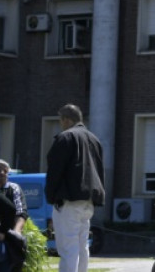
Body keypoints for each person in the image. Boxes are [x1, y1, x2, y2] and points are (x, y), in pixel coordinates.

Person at [45, 104, 105, 272]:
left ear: (66, 120)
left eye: (60, 121)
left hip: (69, 200)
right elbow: (100, 171)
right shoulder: (94, 139)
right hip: (88, 201)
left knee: (68, 248)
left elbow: (55, 170)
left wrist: (51, 196)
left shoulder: (65, 137)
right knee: (82, 245)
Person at [0, 159, 29, 272]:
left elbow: (21, 213)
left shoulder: (13, 188)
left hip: (8, 234)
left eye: (5, 171)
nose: (2, 173)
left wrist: (16, 233)